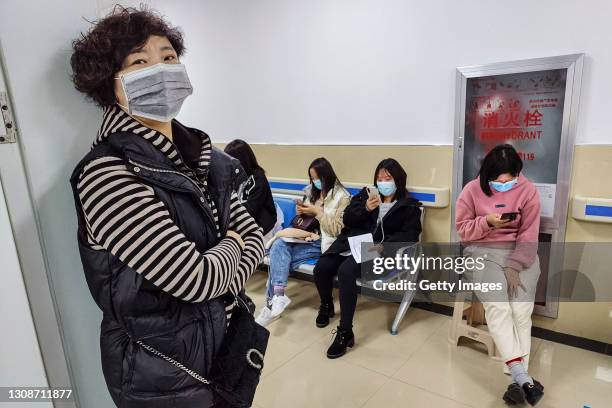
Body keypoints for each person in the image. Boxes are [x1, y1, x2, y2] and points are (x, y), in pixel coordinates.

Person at [69, 7, 264, 407]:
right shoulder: (108, 173)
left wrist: (225, 257)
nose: (161, 68)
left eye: (169, 57)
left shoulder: (214, 161)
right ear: (113, 85)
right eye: (140, 61)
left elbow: (256, 238)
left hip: (226, 348)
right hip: (163, 372)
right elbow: (194, 280)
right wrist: (232, 244)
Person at [455, 144, 544, 406]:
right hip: (482, 251)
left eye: (510, 180)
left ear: (518, 173)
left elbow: (529, 235)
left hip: (521, 253)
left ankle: (518, 379)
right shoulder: (471, 190)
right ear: (487, 175)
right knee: (499, 308)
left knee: (520, 311)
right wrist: (487, 222)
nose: (504, 185)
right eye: (498, 182)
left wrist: (514, 265)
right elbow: (463, 232)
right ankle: (522, 377)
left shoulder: (528, 190)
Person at [314, 158, 422, 359]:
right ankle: (326, 305)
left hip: (378, 249)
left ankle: (345, 332)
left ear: (398, 180)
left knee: (346, 271)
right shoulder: (366, 195)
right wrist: (366, 208)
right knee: (322, 267)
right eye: (379, 178)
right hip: (352, 243)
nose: (383, 183)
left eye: (387, 178)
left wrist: (383, 246)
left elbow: (410, 235)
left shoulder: (409, 206)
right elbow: (348, 219)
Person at [255, 158, 350, 326]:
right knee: (278, 246)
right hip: (305, 237)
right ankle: (278, 297)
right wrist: (303, 209)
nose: (315, 182)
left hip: (324, 243)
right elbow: (306, 220)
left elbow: (337, 230)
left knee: (279, 258)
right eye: (312, 179)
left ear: (327, 175)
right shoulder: (312, 192)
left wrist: (318, 212)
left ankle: (271, 305)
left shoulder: (342, 197)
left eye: (317, 178)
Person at [224, 139, 278, 236]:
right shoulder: (231, 177)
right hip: (238, 222)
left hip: (260, 224)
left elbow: (251, 209)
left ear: (242, 161)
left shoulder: (258, 177)